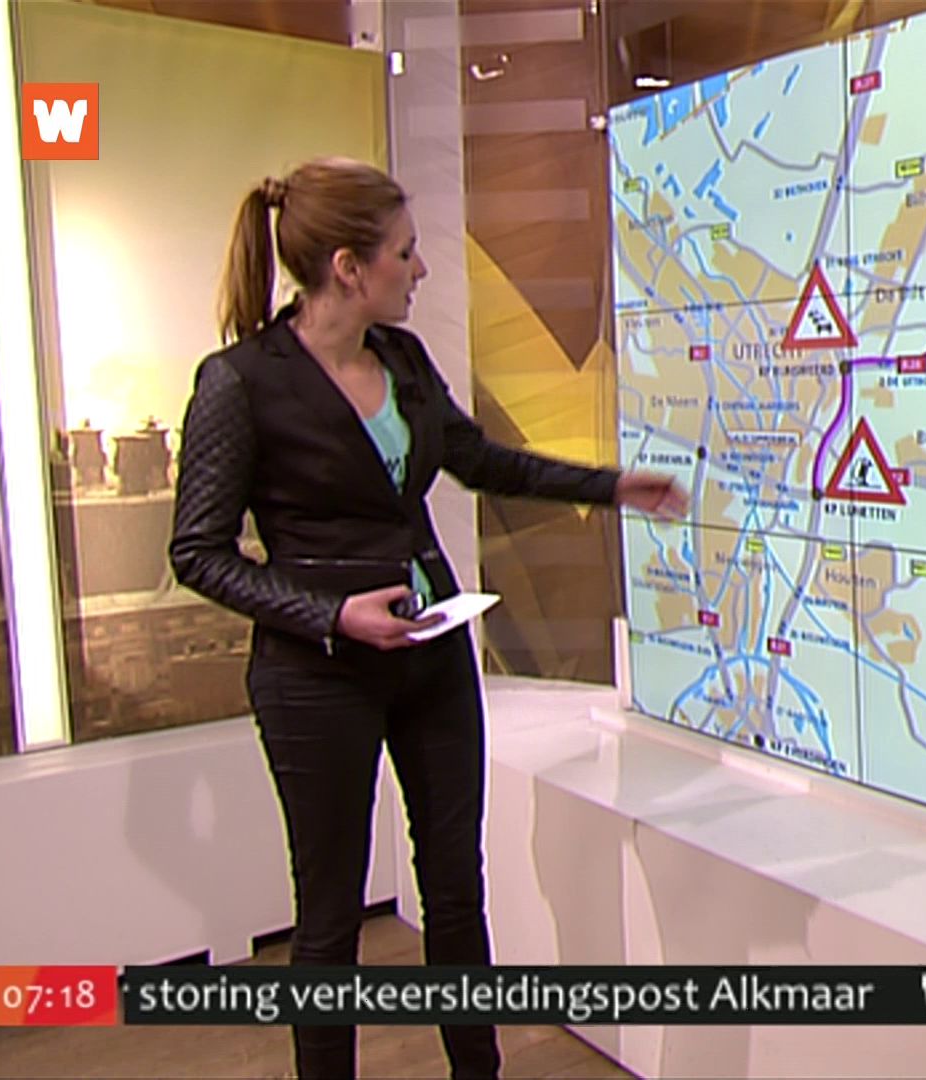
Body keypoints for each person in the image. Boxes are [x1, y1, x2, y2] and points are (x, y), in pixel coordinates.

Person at [168, 156, 687, 1079]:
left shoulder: (402, 360)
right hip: (316, 678)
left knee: (456, 886)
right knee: (329, 916)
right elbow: (197, 552)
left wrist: (611, 488)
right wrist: (333, 615)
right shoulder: (240, 382)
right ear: (348, 268)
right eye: (405, 252)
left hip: (431, 658)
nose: (422, 269)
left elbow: (484, 462)